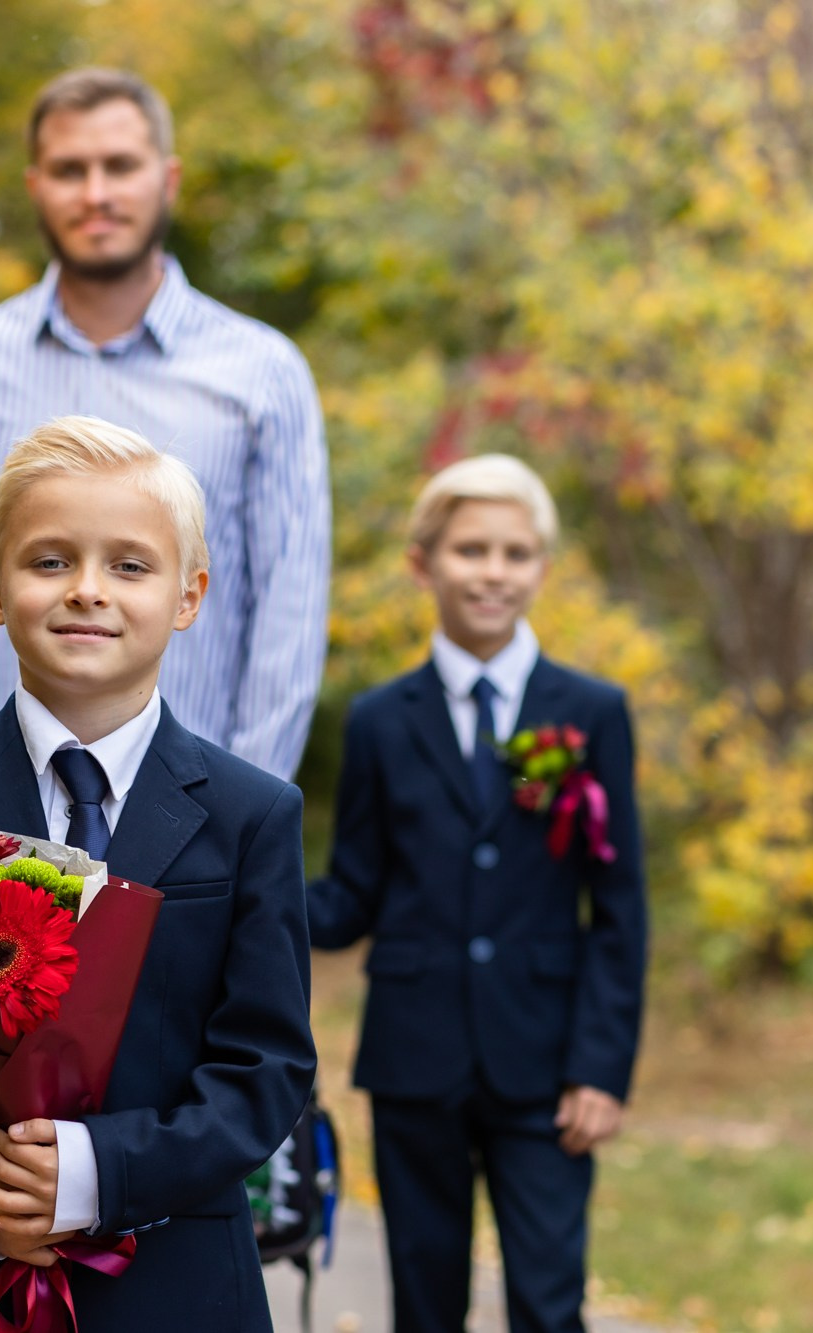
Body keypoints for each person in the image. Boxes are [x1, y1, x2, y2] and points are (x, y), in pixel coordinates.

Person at [0, 415, 318, 1331]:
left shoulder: (253, 815)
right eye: (49, 562)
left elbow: (264, 1070)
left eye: (129, 565)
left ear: (189, 595)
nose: (88, 591)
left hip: (174, 1287)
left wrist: (91, 1173)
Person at [305, 455, 648, 1333]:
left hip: (547, 1065)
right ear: (424, 563)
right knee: (425, 1302)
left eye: (515, 552)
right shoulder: (382, 719)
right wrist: (254, 892)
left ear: (540, 565)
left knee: (547, 1297)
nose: (493, 571)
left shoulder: (592, 711)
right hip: (415, 1057)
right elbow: (354, 893)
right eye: (471, 550)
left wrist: (601, 1067)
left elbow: (619, 906)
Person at [0, 67, 329, 783]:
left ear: (168, 178)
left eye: (120, 166)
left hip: (191, 808)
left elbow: (289, 615)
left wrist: (234, 818)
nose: (97, 193)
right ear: (36, 187)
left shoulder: (262, 370)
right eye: (71, 169)